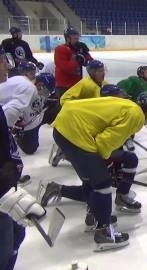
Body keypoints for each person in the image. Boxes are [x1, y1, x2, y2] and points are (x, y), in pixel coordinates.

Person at [47, 94, 147, 251]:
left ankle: (95, 217)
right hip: (75, 131)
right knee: (102, 183)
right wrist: (106, 166)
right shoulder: (136, 116)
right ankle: (104, 233)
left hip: (65, 126)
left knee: (91, 180)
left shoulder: (129, 105)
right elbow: (104, 143)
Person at [0, 46, 46, 270]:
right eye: (2, 61)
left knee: (16, 234)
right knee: (8, 241)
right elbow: (10, 113)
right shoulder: (28, 87)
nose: (6, 66)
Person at [49, 59, 106, 166]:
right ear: (92, 73)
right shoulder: (86, 84)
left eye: (103, 70)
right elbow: (64, 99)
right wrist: (80, 109)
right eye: (99, 71)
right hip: (76, 118)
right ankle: (64, 153)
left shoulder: (101, 84)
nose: (102, 73)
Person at [117, 65, 147, 151]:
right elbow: (119, 86)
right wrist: (124, 97)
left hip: (137, 108)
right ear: (141, 74)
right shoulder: (134, 81)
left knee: (134, 123)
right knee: (127, 122)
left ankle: (128, 136)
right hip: (127, 107)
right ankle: (127, 138)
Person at [54, 26, 93, 98]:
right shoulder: (60, 49)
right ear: (68, 38)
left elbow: (89, 62)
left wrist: (86, 56)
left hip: (77, 84)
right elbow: (65, 68)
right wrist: (77, 60)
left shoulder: (78, 48)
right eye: (74, 36)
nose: (77, 38)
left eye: (77, 36)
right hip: (64, 86)